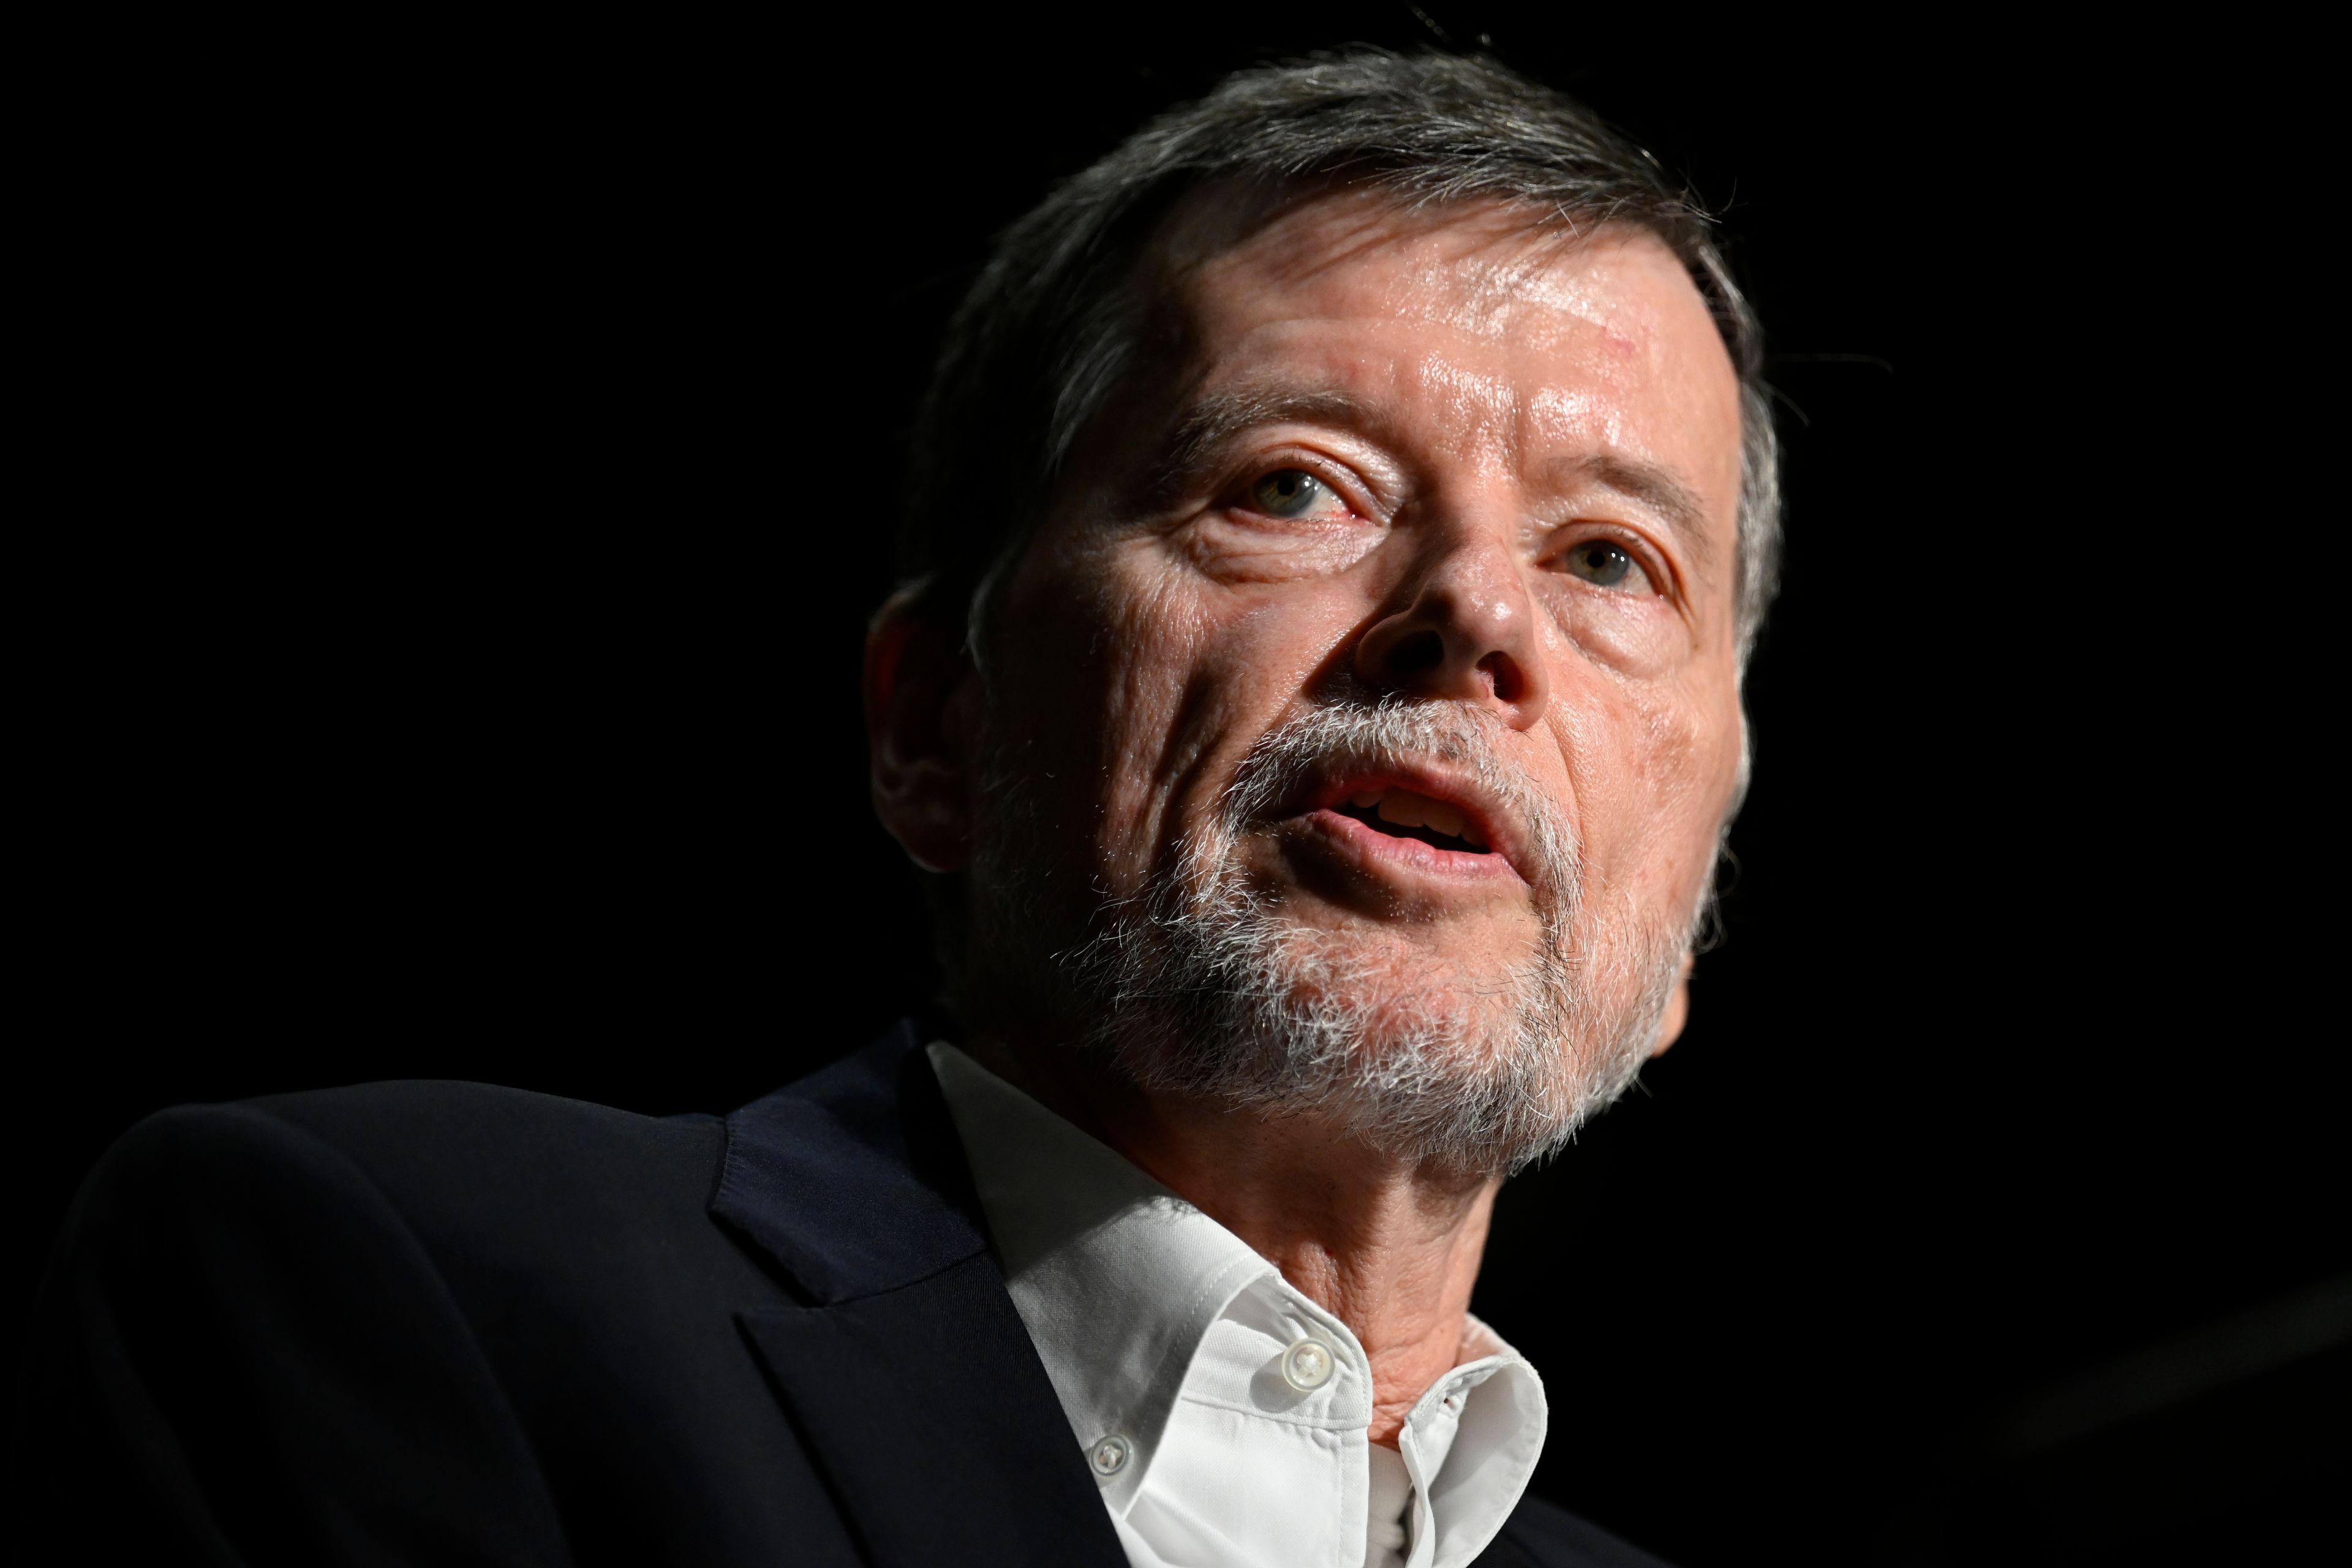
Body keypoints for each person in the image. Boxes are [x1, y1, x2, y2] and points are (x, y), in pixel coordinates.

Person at [20, 48, 1776, 1568]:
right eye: (1297, 485)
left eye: (1611, 558)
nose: (1476, 611)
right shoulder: (410, 1295)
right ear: (936, 724)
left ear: (1691, 909)